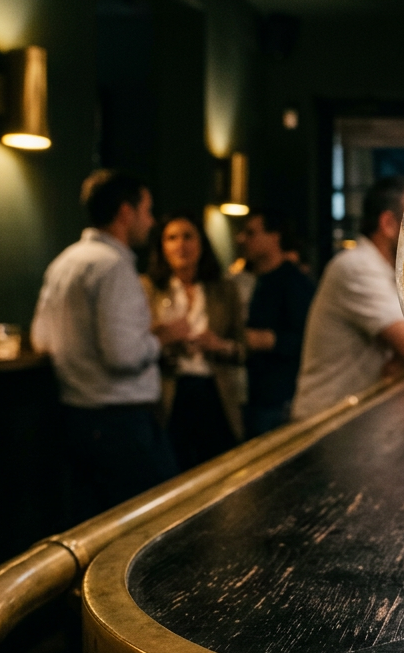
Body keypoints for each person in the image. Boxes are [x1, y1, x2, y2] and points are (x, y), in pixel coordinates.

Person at [31, 170, 189, 518]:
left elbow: (40, 339)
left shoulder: (64, 262)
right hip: (122, 426)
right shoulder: (114, 267)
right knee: (152, 526)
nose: (151, 223)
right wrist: (160, 338)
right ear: (125, 212)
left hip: (76, 418)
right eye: (147, 212)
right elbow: (123, 355)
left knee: (94, 529)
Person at [291, 177, 404, 421]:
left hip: (356, 416)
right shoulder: (356, 266)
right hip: (323, 425)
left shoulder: (386, 271)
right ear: (388, 223)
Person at [142, 215, 247, 469]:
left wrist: (218, 344)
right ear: (162, 246)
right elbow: (134, 343)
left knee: (220, 472)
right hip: (169, 391)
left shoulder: (224, 290)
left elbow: (243, 349)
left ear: (202, 243)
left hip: (214, 391)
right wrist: (164, 338)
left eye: (188, 236)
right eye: (172, 238)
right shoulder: (148, 289)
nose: (181, 245)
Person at [236, 210, 315, 437]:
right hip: (251, 396)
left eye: (251, 233)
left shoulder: (295, 283)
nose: (242, 239)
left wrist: (267, 340)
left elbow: (306, 340)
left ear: (274, 237)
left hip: (279, 399)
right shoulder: (248, 280)